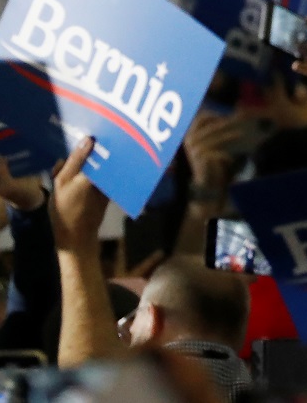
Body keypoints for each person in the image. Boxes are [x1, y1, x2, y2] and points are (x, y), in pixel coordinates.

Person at [49, 140, 254, 401]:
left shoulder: (152, 391)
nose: (125, 337)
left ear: (151, 319)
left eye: (130, 323)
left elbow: (92, 389)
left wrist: (76, 242)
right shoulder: (265, 391)